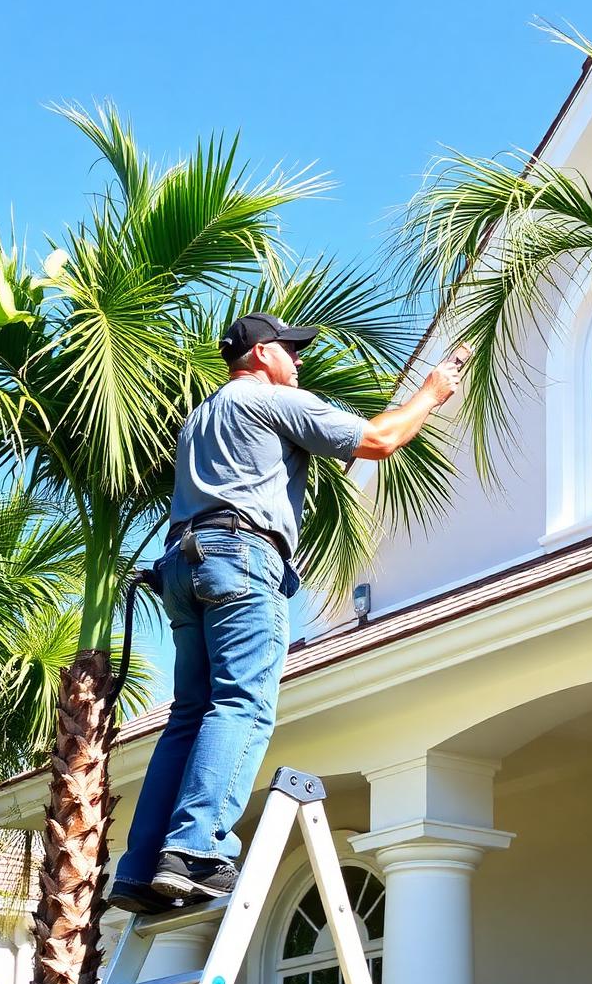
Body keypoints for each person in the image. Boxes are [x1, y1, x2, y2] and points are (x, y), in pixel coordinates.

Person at [108, 311, 463, 913]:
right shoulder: (270, 401)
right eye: (290, 351)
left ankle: (140, 869)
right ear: (262, 355)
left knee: (190, 715)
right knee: (240, 704)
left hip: (183, 566)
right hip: (241, 558)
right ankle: (194, 851)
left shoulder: (203, 417)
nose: (298, 362)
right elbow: (379, 441)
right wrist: (430, 394)